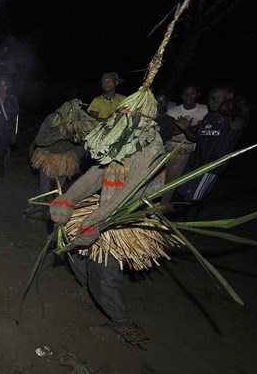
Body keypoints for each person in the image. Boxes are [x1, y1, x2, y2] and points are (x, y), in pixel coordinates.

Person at [49, 90, 166, 347]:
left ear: (143, 119)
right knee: (74, 249)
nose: (121, 119)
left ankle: (122, 322)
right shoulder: (121, 138)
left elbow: (128, 195)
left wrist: (94, 221)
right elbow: (96, 174)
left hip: (127, 216)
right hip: (106, 205)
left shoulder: (150, 148)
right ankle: (89, 289)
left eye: (128, 115)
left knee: (105, 270)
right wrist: (68, 199)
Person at [174, 85, 250, 221]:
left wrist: (234, 98)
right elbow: (195, 137)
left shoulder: (236, 120)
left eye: (215, 99)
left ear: (229, 97)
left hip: (211, 166)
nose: (210, 103)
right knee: (182, 193)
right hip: (196, 162)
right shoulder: (208, 117)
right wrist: (186, 128)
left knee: (193, 200)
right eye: (209, 99)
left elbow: (226, 108)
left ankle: (190, 231)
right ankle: (182, 221)